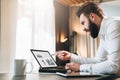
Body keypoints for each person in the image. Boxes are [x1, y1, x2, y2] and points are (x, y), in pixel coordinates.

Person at [56, 2, 120, 74]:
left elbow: (114, 66)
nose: (83, 29)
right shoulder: (103, 32)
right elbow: (98, 61)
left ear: (92, 16)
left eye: (83, 23)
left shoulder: (113, 25)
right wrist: (71, 56)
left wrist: (80, 67)